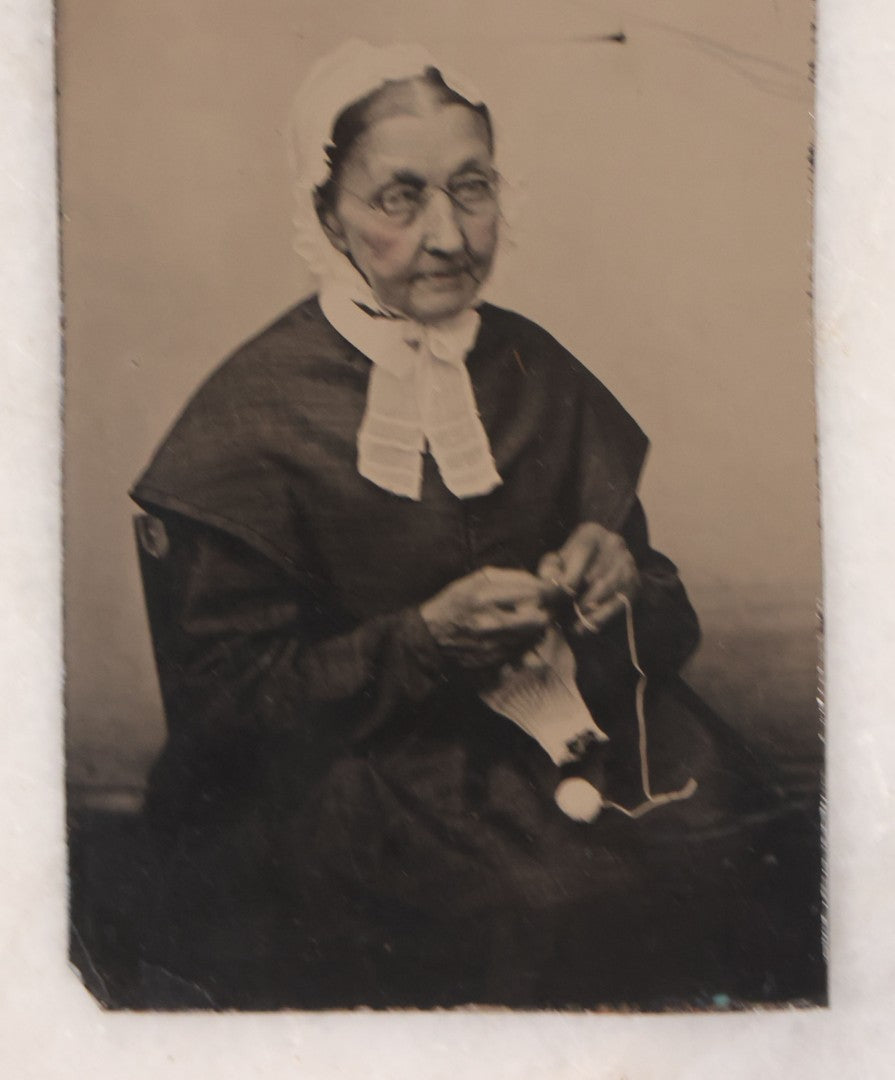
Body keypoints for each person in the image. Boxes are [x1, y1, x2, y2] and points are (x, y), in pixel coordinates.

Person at [129, 42, 821, 1009]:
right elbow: (224, 714)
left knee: (753, 831)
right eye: (397, 198)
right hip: (348, 775)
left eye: (472, 188)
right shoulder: (251, 416)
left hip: (560, 734)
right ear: (325, 211)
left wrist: (621, 583)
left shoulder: (536, 368)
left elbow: (665, 630)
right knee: (560, 905)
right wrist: (418, 645)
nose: (449, 235)